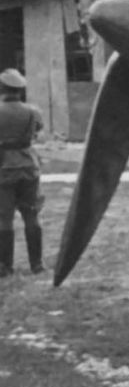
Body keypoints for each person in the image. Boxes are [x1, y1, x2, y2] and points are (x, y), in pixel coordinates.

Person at [0, 69, 45, 276]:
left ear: (2, 88)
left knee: (4, 219)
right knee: (32, 215)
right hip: (28, 167)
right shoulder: (33, 111)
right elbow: (38, 130)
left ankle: (5, 267)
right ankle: (37, 265)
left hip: (4, 168)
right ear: (20, 90)